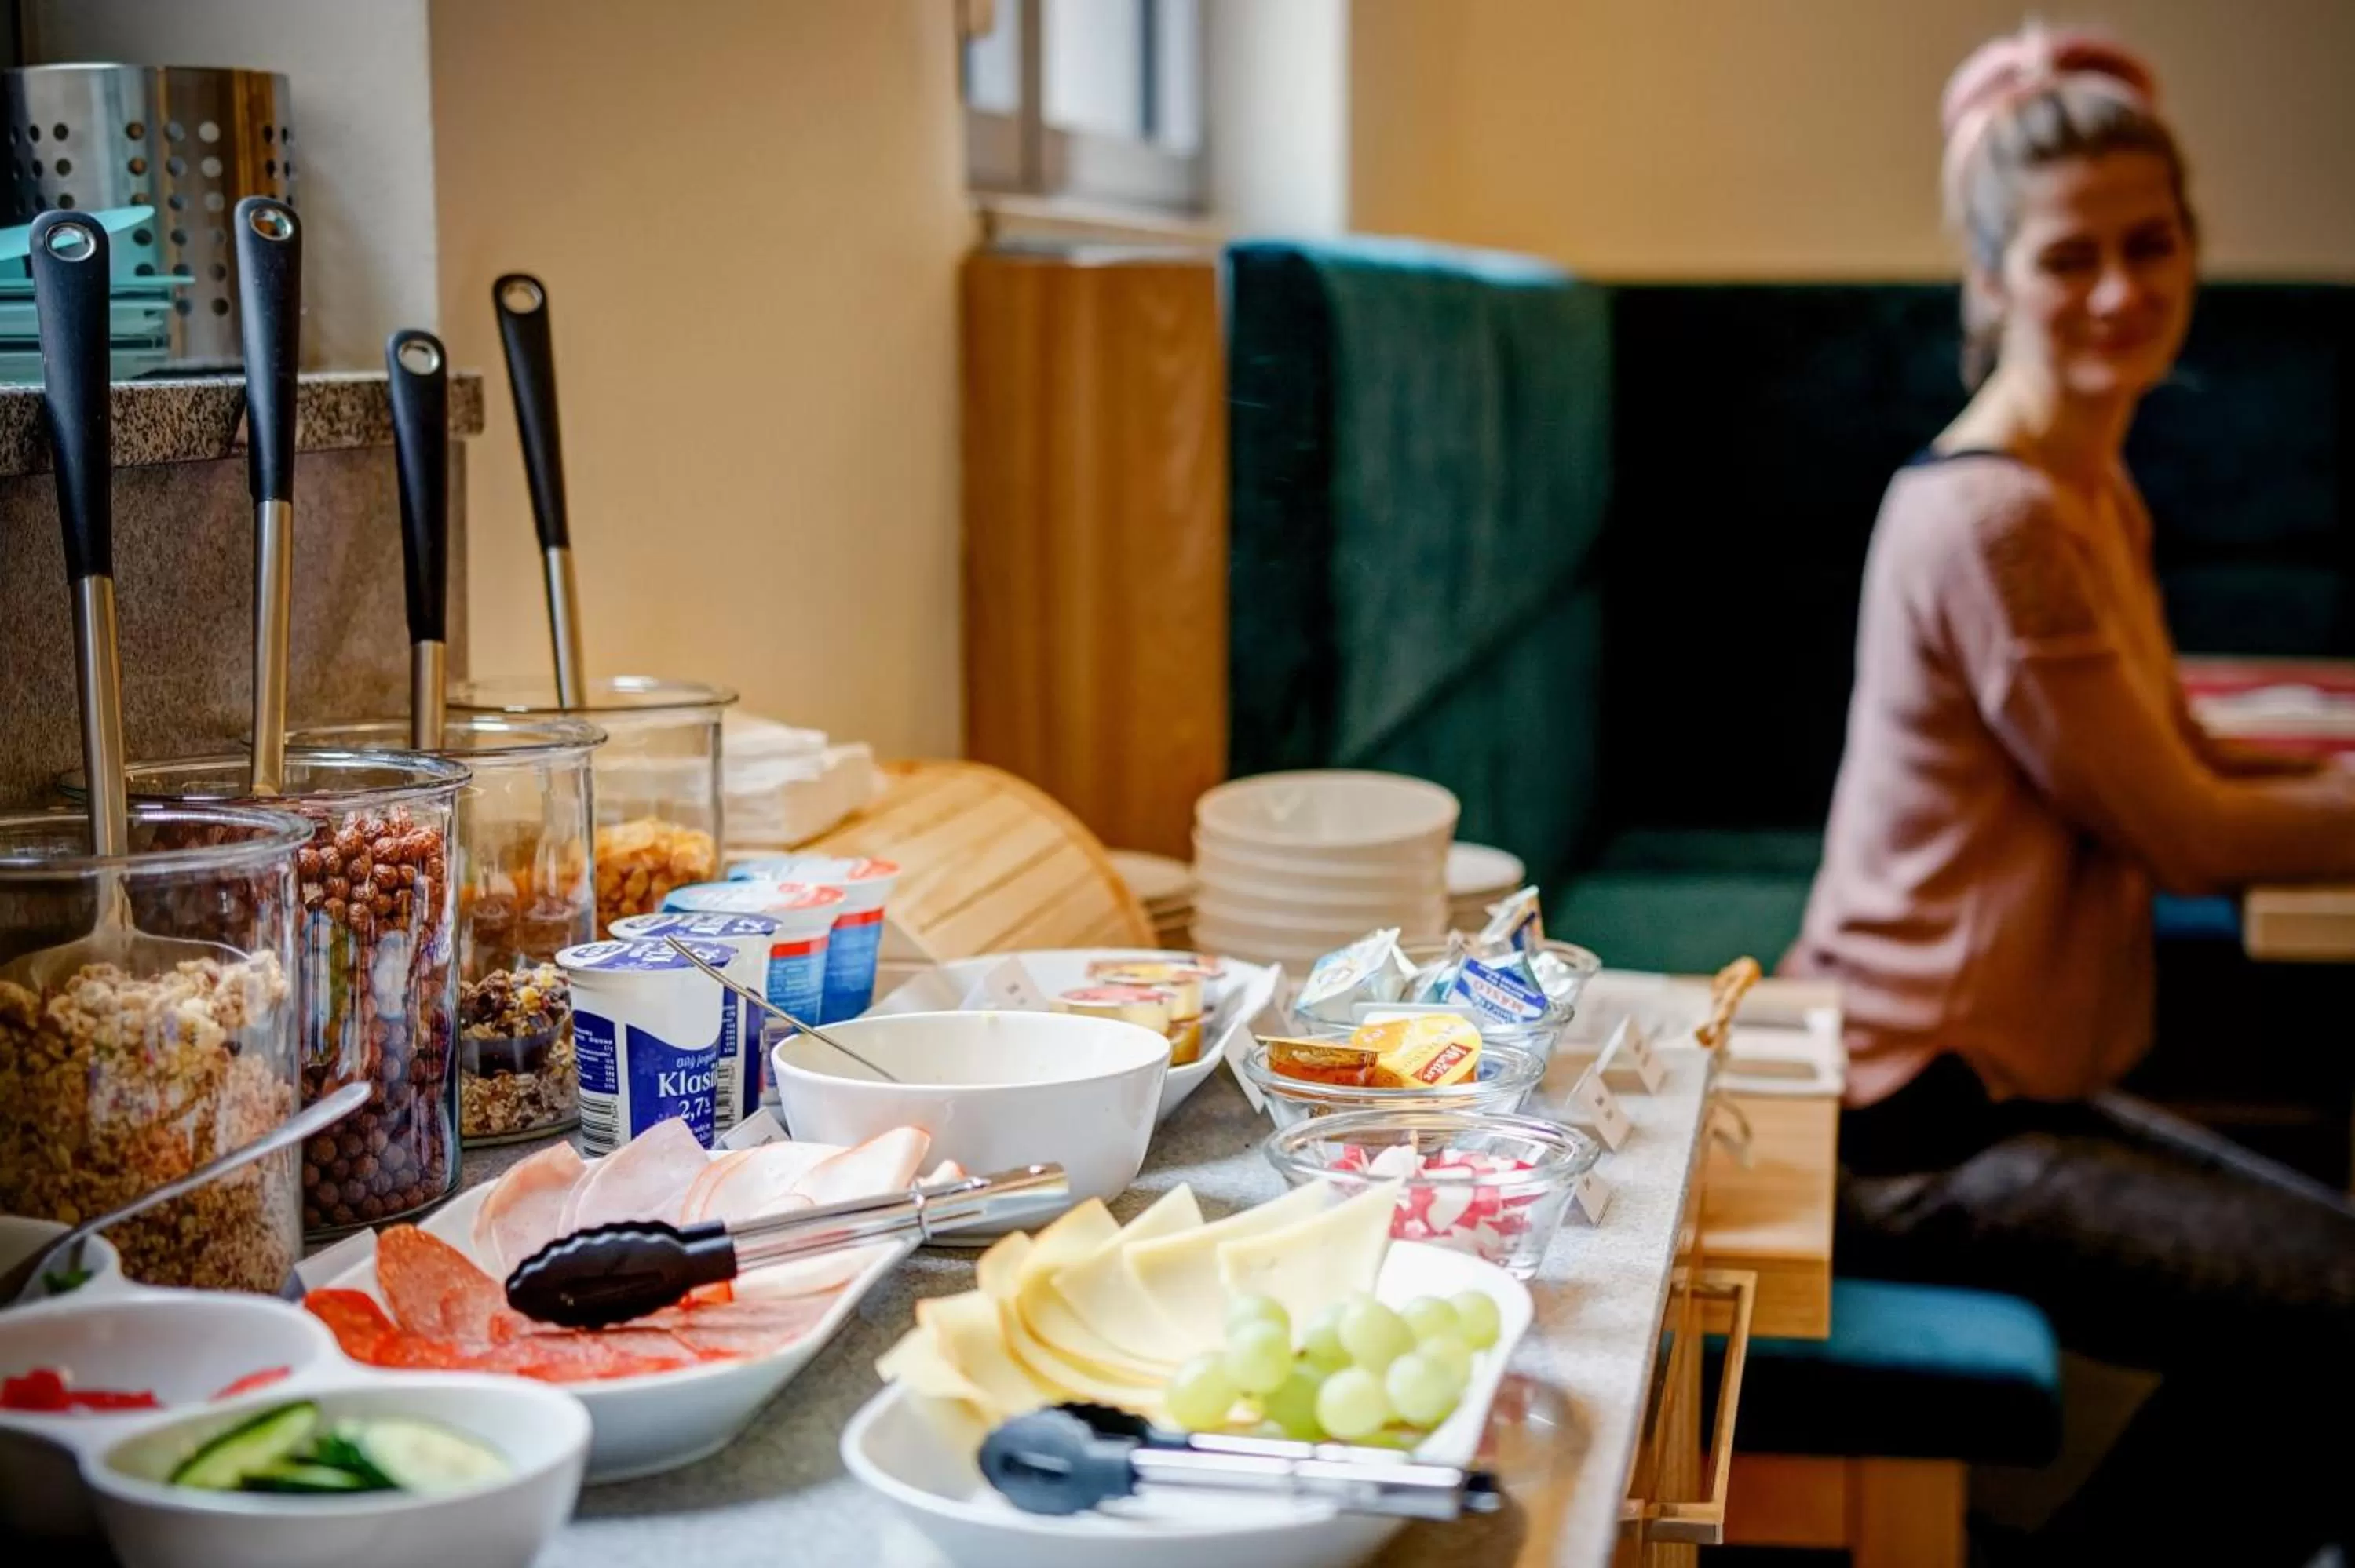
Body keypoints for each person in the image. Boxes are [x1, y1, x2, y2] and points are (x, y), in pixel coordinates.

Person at [1782, 23, 2355, 1564]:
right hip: (1906, 1122)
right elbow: (2183, 833)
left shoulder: (2090, 487)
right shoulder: (2001, 518)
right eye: (2067, 257)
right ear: (1991, 285)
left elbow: (2184, 759)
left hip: (1993, 1085)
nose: (2119, 290)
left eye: (2151, 244)